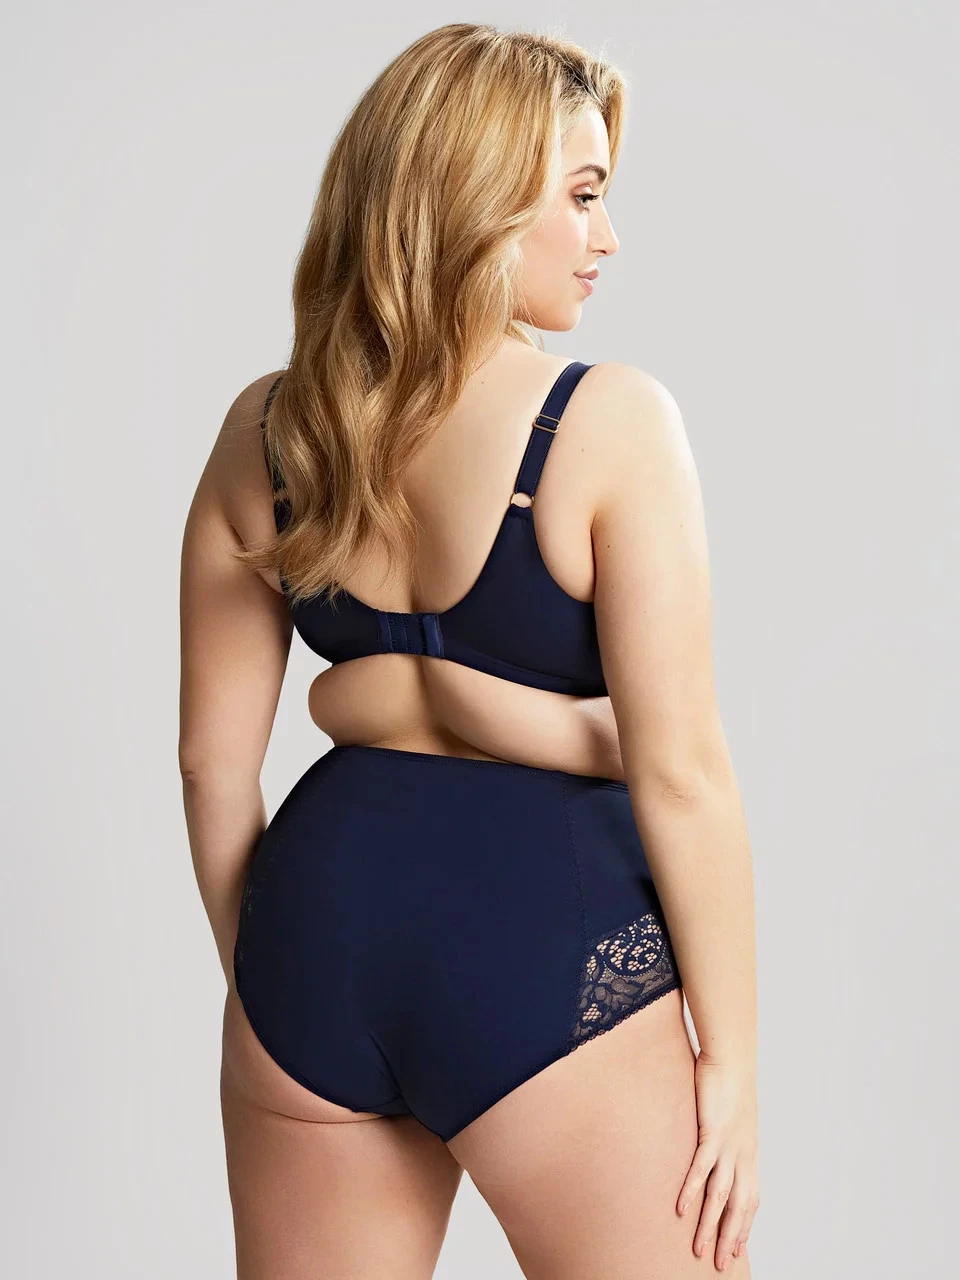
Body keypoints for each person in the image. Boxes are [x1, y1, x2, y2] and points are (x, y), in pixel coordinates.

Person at [179, 22, 759, 1279]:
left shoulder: (266, 430)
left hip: (316, 941)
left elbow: (211, 769)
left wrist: (274, 978)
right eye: (584, 196)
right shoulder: (608, 422)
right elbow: (683, 774)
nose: (609, 238)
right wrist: (734, 1066)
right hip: (545, 945)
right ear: (479, 199)